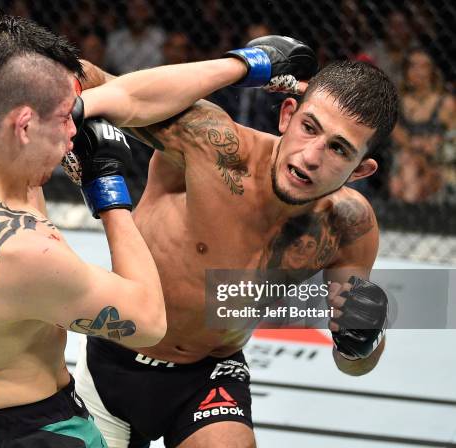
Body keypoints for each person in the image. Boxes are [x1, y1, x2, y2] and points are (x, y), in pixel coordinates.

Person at [74, 37, 398, 447]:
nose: (312, 156)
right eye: (309, 128)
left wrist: (365, 341)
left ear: (361, 170)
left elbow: (352, 364)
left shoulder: (348, 226)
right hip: (114, 361)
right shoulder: (215, 147)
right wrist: (242, 65)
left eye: (338, 149)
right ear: (287, 114)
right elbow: (95, 83)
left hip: (209, 372)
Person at [0, 16, 171, 447]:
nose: (74, 131)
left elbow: (126, 94)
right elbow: (149, 320)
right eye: (66, 119)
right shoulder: (19, 249)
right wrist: (109, 192)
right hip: (41, 434)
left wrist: (243, 66)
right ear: (24, 125)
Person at [390, 47, 455, 203]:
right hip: (405, 164)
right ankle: (411, 212)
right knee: (406, 169)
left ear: (433, 71)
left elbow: (452, 139)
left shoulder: (445, 103)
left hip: (437, 165)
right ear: (406, 71)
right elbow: (399, 137)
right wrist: (420, 145)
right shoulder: (397, 104)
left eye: (424, 66)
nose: (418, 71)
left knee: (408, 170)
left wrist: (437, 144)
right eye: (413, 66)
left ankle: (406, 216)